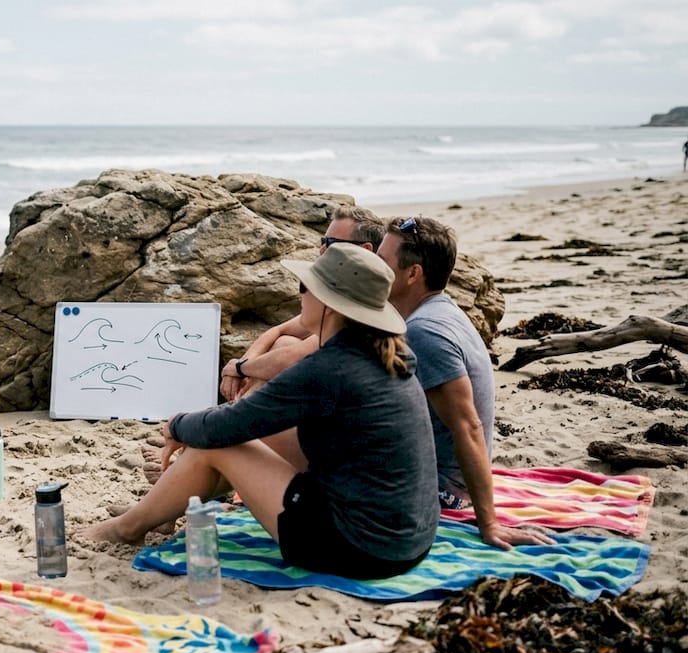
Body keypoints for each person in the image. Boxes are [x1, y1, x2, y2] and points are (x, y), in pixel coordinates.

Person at [84, 244, 439, 580]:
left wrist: (176, 425)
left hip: (358, 548)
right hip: (407, 538)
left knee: (219, 444)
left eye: (305, 286)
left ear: (330, 304)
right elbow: (250, 418)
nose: (299, 294)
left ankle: (128, 528)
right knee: (252, 430)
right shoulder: (380, 351)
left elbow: (223, 428)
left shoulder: (330, 369)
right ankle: (159, 511)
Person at [376, 216, 554, 550]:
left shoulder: (424, 332)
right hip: (433, 474)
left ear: (412, 273)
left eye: (382, 261)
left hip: (443, 494)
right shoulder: (435, 312)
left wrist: (489, 524)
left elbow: (468, 426)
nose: (373, 265)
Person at [220, 205, 385, 401]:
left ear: (365, 249)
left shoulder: (367, 301)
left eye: (332, 243)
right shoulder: (347, 290)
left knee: (285, 358)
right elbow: (279, 331)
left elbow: (295, 356)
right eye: (323, 241)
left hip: (346, 405)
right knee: (284, 341)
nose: (322, 249)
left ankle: (238, 411)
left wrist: (239, 368)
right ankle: (240, 406)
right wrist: (241, 365)